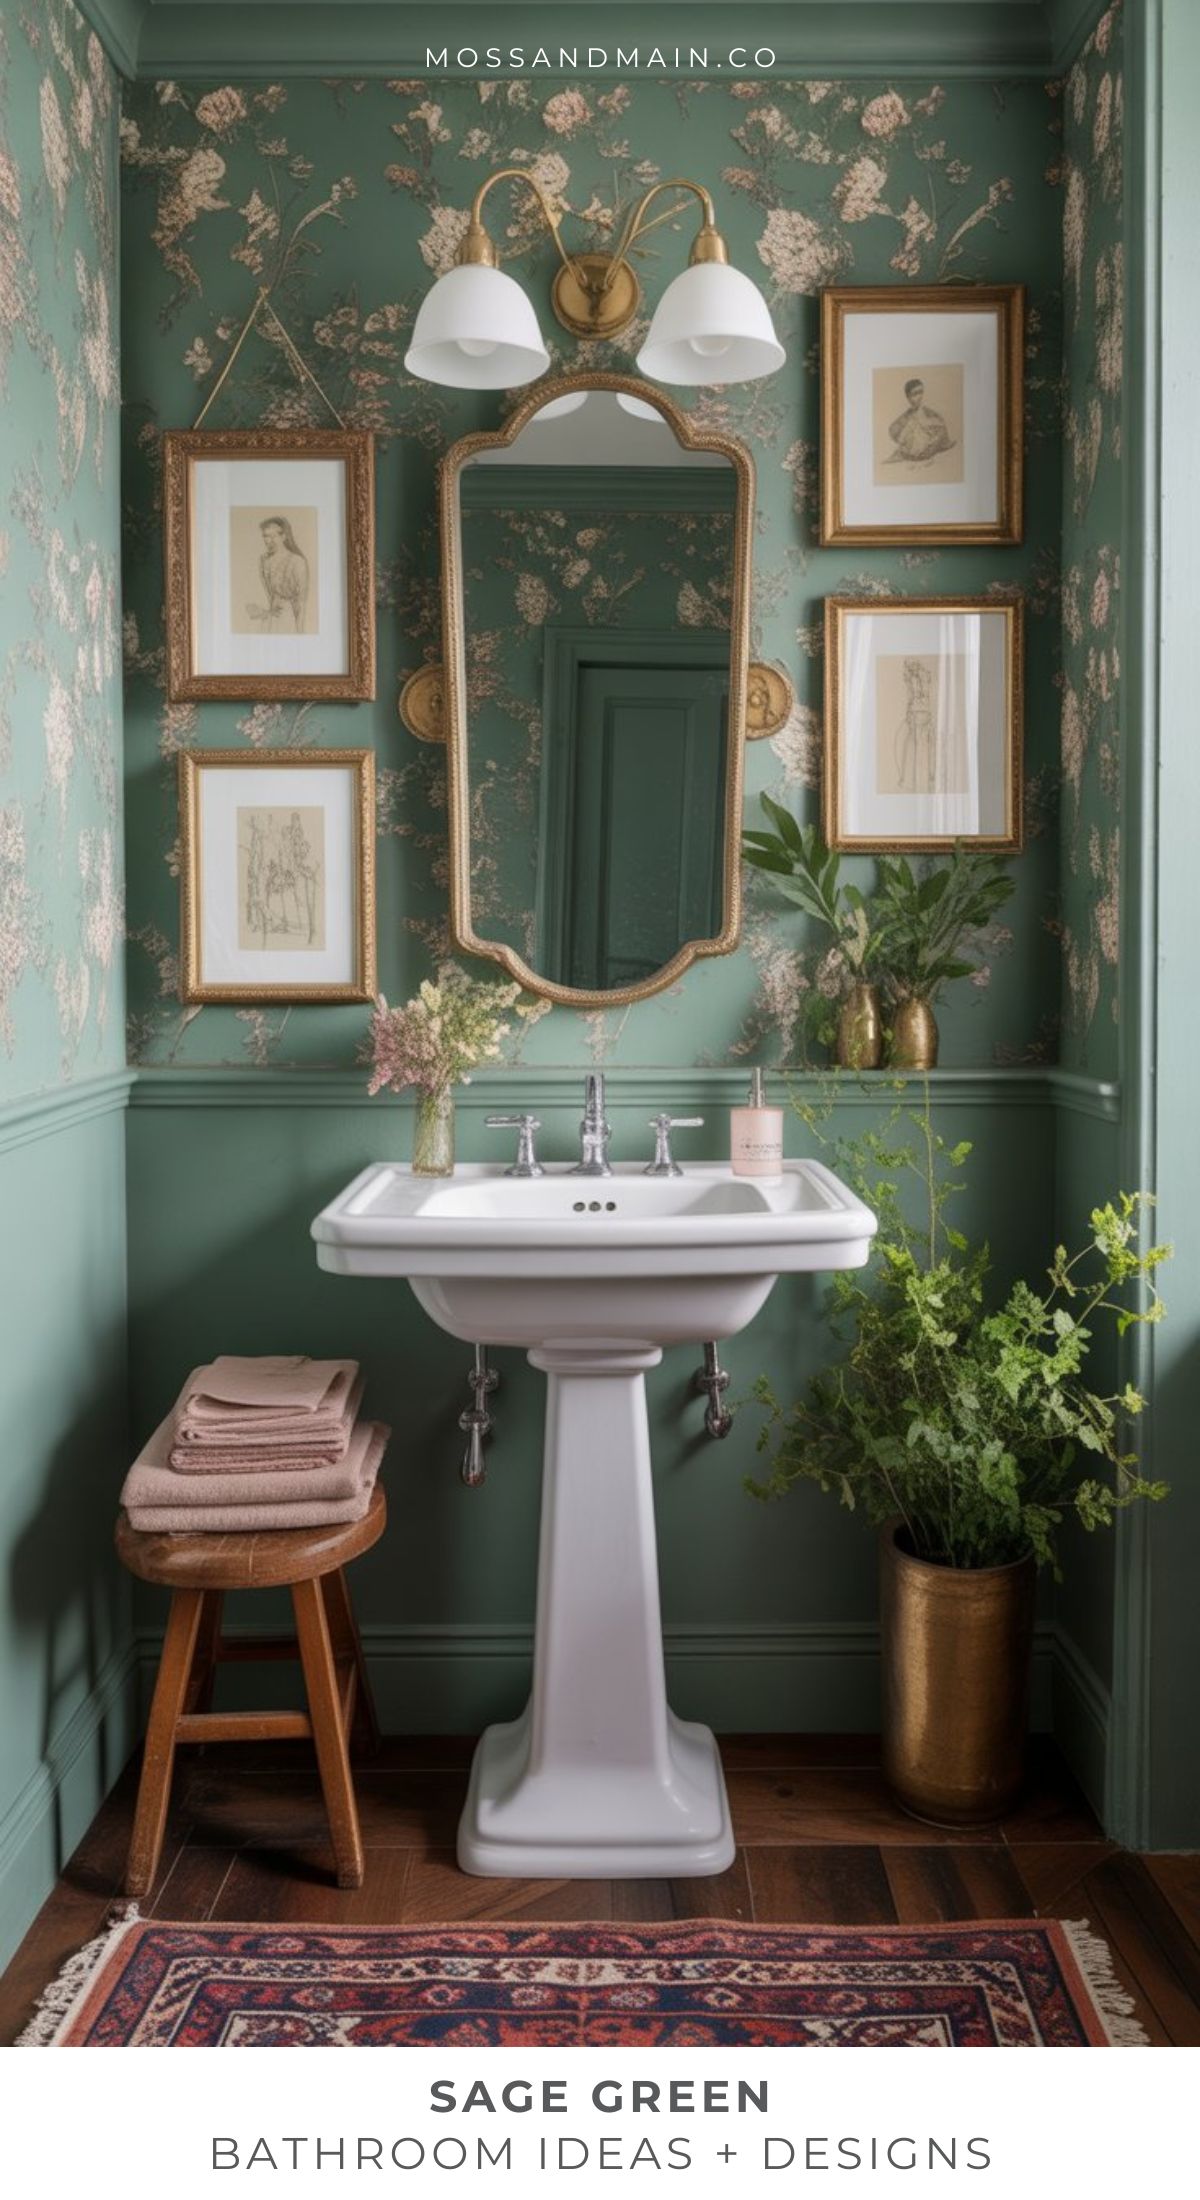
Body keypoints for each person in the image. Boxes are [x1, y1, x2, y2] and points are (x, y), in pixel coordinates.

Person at [253, 515, 310, 632]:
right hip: (271, 617)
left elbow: (301, 602)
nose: (268, 541)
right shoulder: (263, 560)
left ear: (283, 536)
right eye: (265, 536)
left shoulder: (297, 561)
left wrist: (300, 633)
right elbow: (268, 593)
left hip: (289, 618)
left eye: (273, 536)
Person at [884, 378, 956, 468]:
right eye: (914, 394)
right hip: (909, 461)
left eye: (921, 392)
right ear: (908, 397)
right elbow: (894, 432)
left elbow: (942, 434)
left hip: (930, 460)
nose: (919, 397)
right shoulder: (902, 419)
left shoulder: (933, 415)